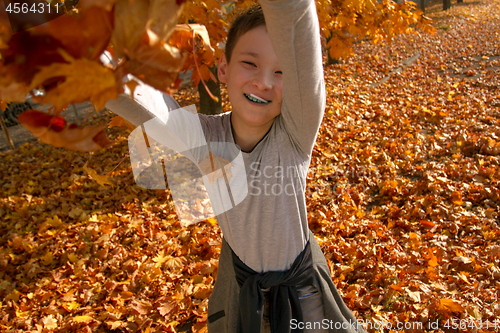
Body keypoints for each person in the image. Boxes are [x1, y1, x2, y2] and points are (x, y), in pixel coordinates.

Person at [106, 0, 367, 331]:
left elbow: (295, 22)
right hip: (242, 290)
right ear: (223, 69)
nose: (264, 82)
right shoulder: (204, 137)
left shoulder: (295, 133)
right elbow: (134, 98)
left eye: (281, 71)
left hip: (302, 292)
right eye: (250, 63)